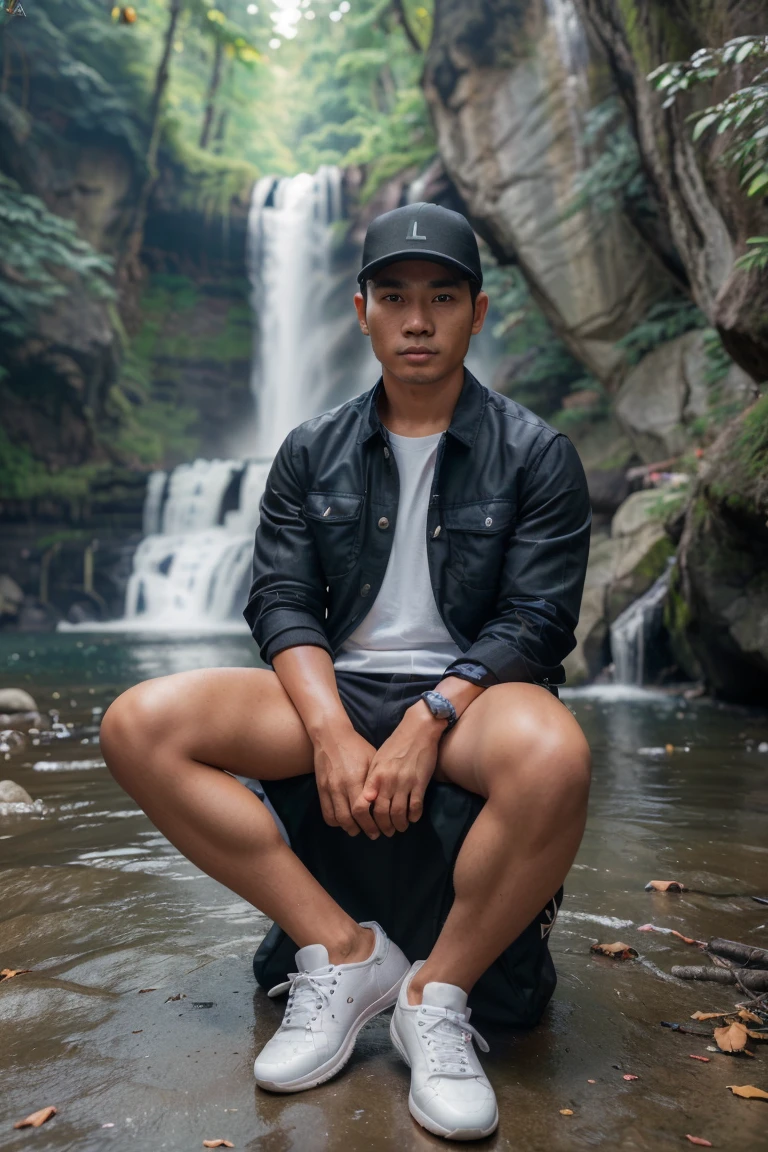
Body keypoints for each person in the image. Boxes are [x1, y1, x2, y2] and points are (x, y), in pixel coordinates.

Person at [100, 202, 592, 1142]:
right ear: (359, 309)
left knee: (556, 755)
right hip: (339, 686)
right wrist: (328, 727)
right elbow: (280, 603)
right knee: (138, 725)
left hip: (471, 696)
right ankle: (343, 950)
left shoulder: (536, 454)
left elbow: (536, 621)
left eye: (442, 298)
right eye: (396, 298)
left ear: (477, 314)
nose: (418, 321)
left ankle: (436, 995)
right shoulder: (310, 449)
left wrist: (428, 718)